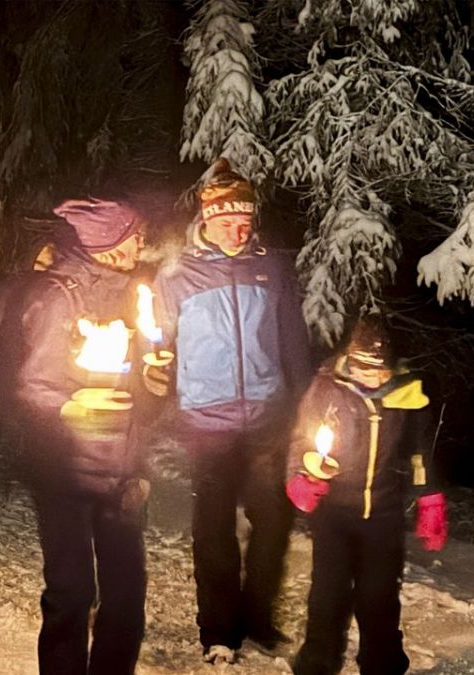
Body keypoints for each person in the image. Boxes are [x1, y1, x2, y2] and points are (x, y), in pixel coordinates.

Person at [151, 158, 313, 664]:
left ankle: (258, 618)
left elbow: (294, 340)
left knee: (273, 520)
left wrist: (305, 403)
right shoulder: (178, 275)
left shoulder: (272, 268)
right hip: (206, 418)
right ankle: (218, 630)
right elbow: (155, 342)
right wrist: (153, 374)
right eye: (226, 221)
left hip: (267, 413)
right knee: (214, 527)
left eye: (244, 221)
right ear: (206, 220)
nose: (237, 230)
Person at [0, 198, 152, 675]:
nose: (143, 243)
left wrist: (156, 384)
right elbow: (30, 384)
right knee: (73, 592)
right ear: (111, 244)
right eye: (135, 236)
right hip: (65, 472)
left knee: (126, 598)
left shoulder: (130, 294)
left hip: (121, 470)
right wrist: (72, 405)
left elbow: (137, 385)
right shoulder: (57, 296)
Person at [285, 317, 447, 675]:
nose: (372, 377)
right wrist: (301, 474)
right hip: (334, 514)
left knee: (379, 599)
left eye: (380, 371)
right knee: (328, 597)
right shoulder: (327, 389)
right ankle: (317, 665)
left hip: (383, 515)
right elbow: (302, 440)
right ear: (351, 361)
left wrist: (430, 496)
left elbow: (420, 452)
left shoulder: (408, 396)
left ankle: (382, 665)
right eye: (364, 368)